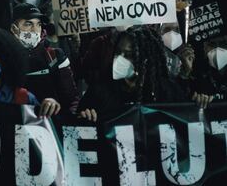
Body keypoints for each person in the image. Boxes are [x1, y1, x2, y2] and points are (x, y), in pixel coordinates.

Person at [78, 26, 212, 122]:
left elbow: (185, 121)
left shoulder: (167, 90)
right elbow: (78, 121)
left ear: (146, 58)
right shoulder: (99, 90)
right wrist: (85, 116)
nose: (119, 59)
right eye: (119, 52)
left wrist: (199, 103)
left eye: (129, 55)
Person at [10, 3, 79, 115]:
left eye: (38, 24)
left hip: (50, 125)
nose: (35, 29)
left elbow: (72, 101)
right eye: (28, 24)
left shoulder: (55, 56)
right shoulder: (3, 58)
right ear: (14, 28)